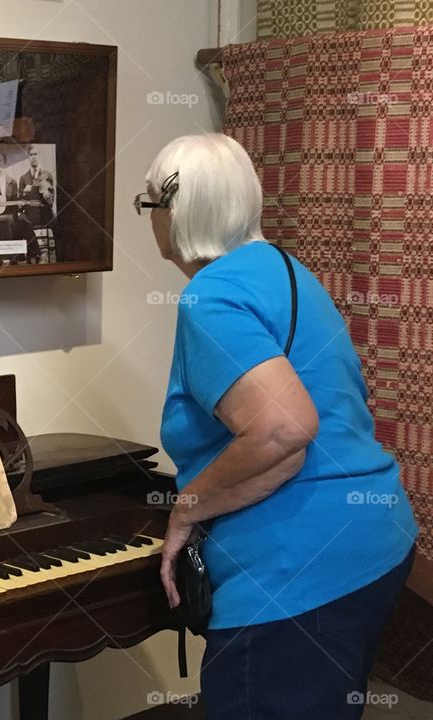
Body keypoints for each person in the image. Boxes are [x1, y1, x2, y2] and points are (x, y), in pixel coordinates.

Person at [139, 133, 418, 720]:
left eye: (149, 206)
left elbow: (283, 431)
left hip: (294, 570)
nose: (150, 223)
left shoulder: (209, 298)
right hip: (372, 544)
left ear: (175, 211)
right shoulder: (285, 269)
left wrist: (185, 507)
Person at [16, 145, 55, 263]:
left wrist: (47, 196)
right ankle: (36, 253)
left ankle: (64, 257)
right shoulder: (23, 178)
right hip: (30, 215)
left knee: (60, 221)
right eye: (30, 155)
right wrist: (24, 192)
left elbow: (52, 199)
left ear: (39, 156)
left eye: (35, 154)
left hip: (44, 213)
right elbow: (19, 203)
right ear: (28, 158)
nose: (33, 157)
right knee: (20, 220)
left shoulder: (47, 175)